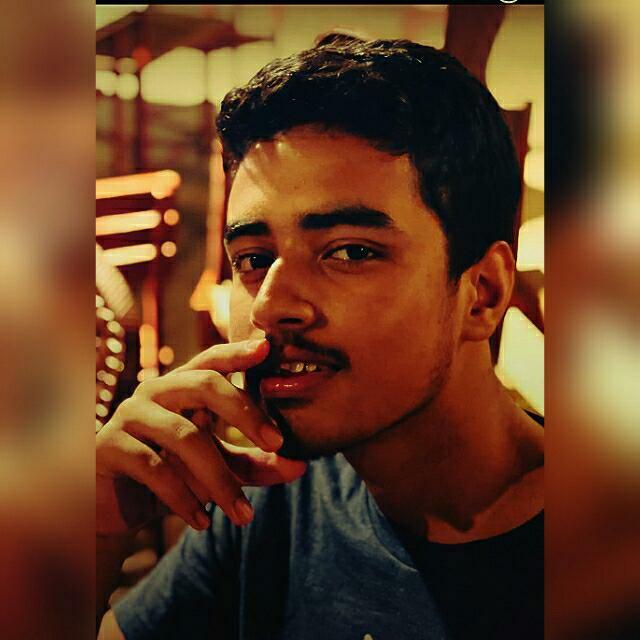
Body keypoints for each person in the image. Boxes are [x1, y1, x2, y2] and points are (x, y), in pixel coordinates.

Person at [96, 34, 544, 640]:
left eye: (350, 251)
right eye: (253, 259)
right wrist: (94, 532)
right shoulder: (279, 497)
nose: (270, 306)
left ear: (482, 293)